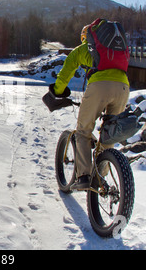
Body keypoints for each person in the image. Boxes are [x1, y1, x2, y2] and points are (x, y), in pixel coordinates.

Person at [47, 19, 130, 191]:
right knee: (109, 135)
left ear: (86, 37)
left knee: (83, 131)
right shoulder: (115, 50)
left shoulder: (84, 49)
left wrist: (57, 91)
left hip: (99, 87)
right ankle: (100, 176)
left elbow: (66, 73)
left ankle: (84, 176)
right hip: (123, 87)